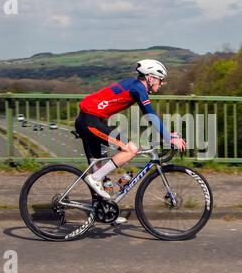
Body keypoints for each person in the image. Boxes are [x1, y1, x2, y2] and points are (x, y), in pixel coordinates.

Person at [75, 60, 186, 222]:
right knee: (130, 149)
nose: (161, 83)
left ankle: (104, 212)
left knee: (97, 167)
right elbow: (151, 115)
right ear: (151, 78)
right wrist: (168, 138)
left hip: (90, 120)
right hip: (89, 121)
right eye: (160, 79)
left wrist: (168, 134)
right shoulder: (138, 88)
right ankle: (94, 179)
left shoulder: (134, 85)